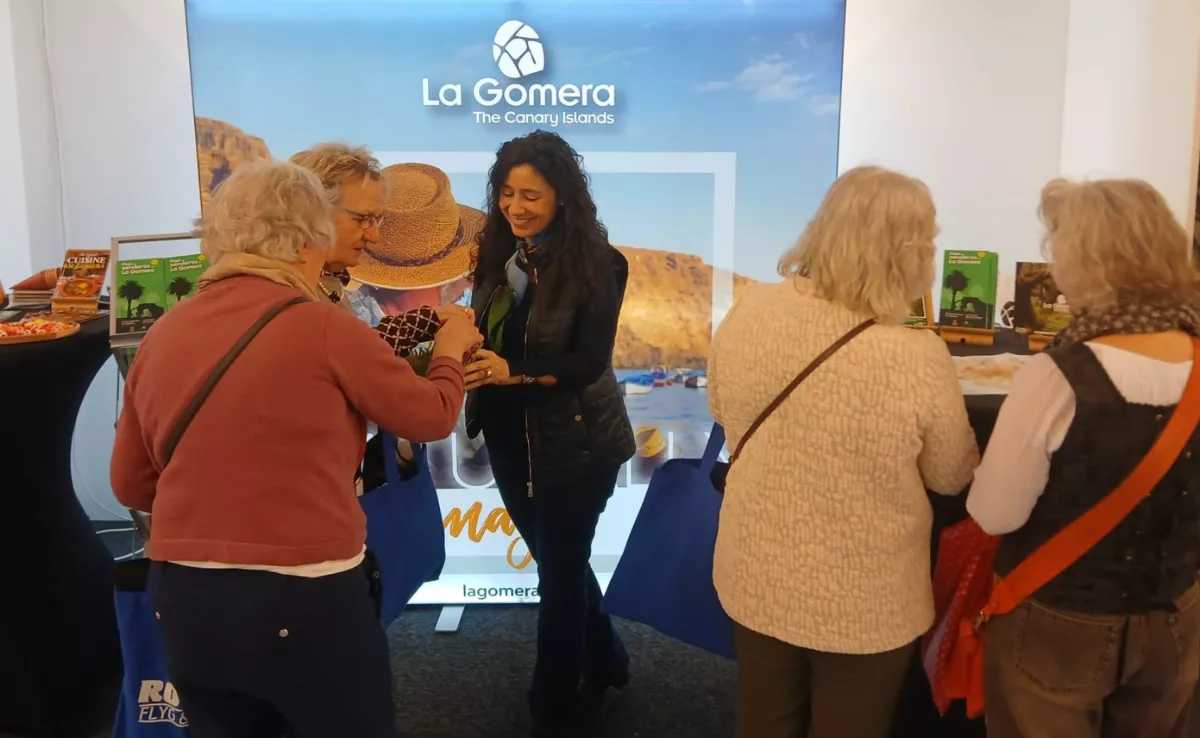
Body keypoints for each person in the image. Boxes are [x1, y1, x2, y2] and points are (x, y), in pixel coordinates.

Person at [110, 159, 482, 737]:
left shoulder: (165, 332)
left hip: (185, 598)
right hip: (305, 593)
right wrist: (451, 350)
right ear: (309, 235)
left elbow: (131, 484)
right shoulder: (326, 327)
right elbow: (431, 416)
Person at [709, 166, 979, 738]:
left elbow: (720, 409)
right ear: (908, 251)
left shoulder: (749, 308)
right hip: (865, 602)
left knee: (764, 721)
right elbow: (952, 476)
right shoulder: (916, 356)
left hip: (755, 573)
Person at [967, 178, 1200, 738]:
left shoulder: (1057, 376)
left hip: (1058, 626)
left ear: (1089, 263)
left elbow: (994, 515)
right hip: (1177, 619)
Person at [462, 130, 636, 737]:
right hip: (509, 437)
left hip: (577, 444)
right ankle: (608, 658)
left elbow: (588, 362)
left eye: (531, 196)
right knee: (561, 563)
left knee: (558, 580)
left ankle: (552, 709)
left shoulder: (601, 263)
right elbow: (486, 332)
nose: (516, 207)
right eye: (507, 193)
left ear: (563, 196)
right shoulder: (496, 252)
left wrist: (514, 372)